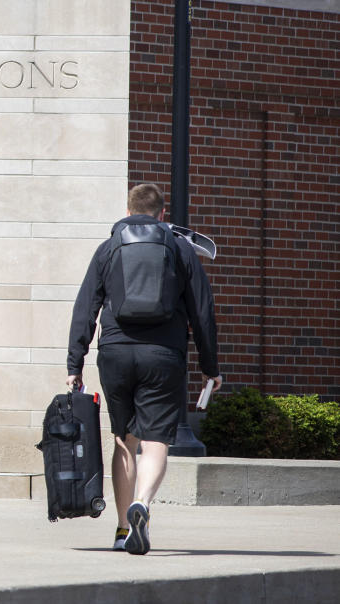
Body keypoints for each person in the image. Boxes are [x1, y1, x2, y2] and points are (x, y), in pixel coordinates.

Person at [66, 183, 221, 555]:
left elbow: (85, 306)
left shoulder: (109, 247)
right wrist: (210, 365)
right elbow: (202, 311)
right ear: (162, 213)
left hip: (116, 352)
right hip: (162, 355)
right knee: (155, 441)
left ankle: (122, 529)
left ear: (128, 209)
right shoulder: (180, 248)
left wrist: (75, 362)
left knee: (124, 439)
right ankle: (143, 506)